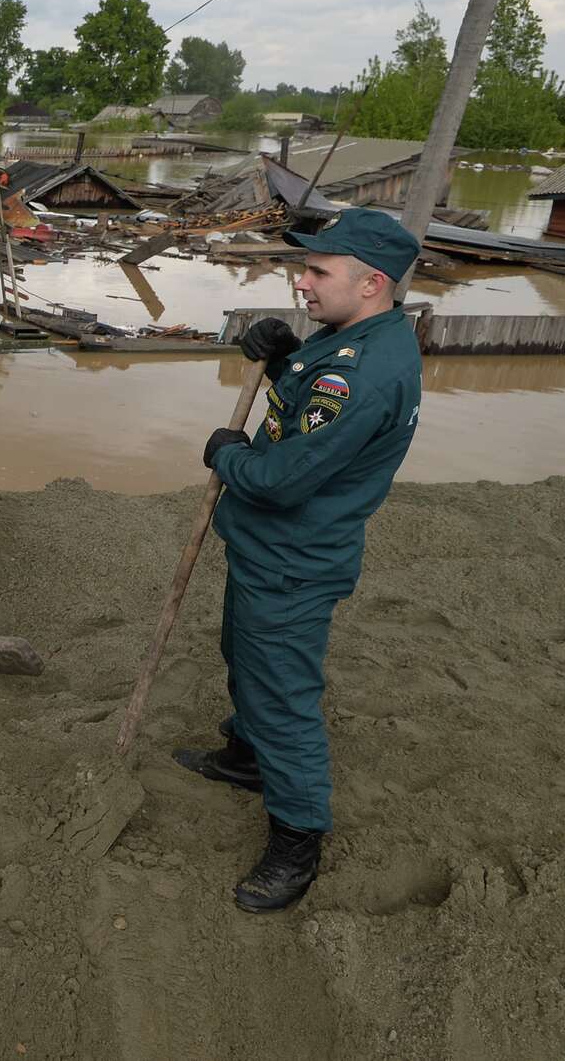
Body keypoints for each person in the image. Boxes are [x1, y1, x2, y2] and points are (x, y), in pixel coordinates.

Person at [180, 207, 423, 912]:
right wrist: (284, 352)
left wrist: (228, 452)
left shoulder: (366, 373)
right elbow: (305, 396)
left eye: (319, 271)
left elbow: (284, 477)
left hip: (292, 558)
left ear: (372, 282)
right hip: (266, 549)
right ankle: (246, 756)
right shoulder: (354, 337)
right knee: (243, 655)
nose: (303, 282)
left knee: (282, 697)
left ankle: (297, 841)